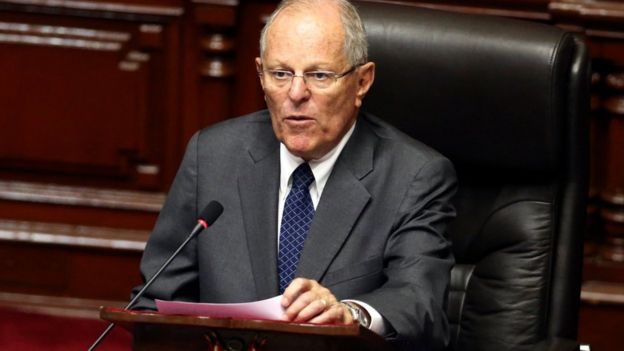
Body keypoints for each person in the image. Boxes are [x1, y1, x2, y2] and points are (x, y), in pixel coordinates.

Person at [132, 0, 457, 349]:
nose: (296, 94)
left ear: (362, 81)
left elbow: (420, 303)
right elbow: (154, 304)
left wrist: (351, 316)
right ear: (260, 74)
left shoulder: (414, 176)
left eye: (319, 75)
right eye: (281, 74)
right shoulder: (213, 155)